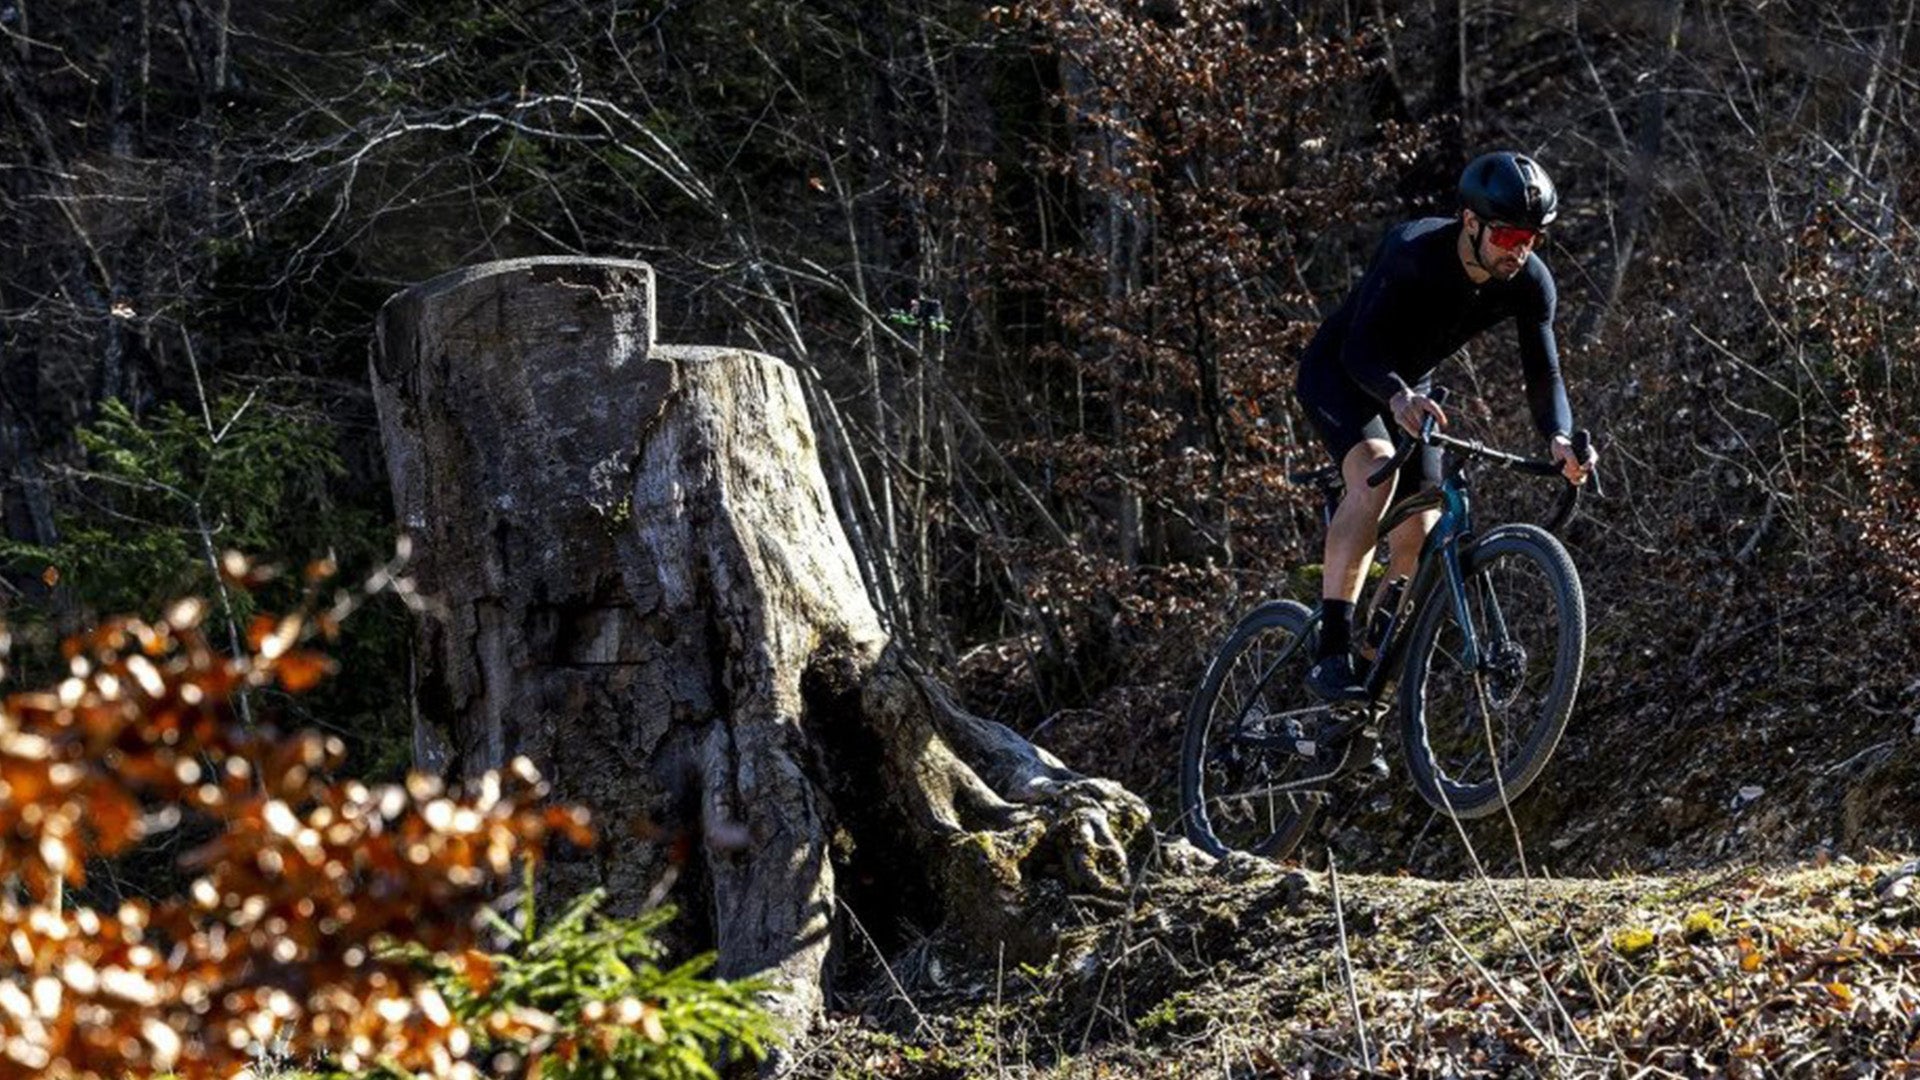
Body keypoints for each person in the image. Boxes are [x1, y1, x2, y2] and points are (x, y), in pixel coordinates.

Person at [1292, 150, 1596, 702]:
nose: (1520, 251)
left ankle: (1366, 672)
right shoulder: (1413, 251)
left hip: (1414, 386)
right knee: (1374, 477)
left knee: (1424, 528)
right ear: (1471, 223)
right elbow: (1361, 347)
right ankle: (1331, 652)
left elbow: (1544, 370)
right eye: (1507, 237)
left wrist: (1557, 436)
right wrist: (1398, 396)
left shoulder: (1529, 282)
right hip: (1345, 369)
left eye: (1531, 239)